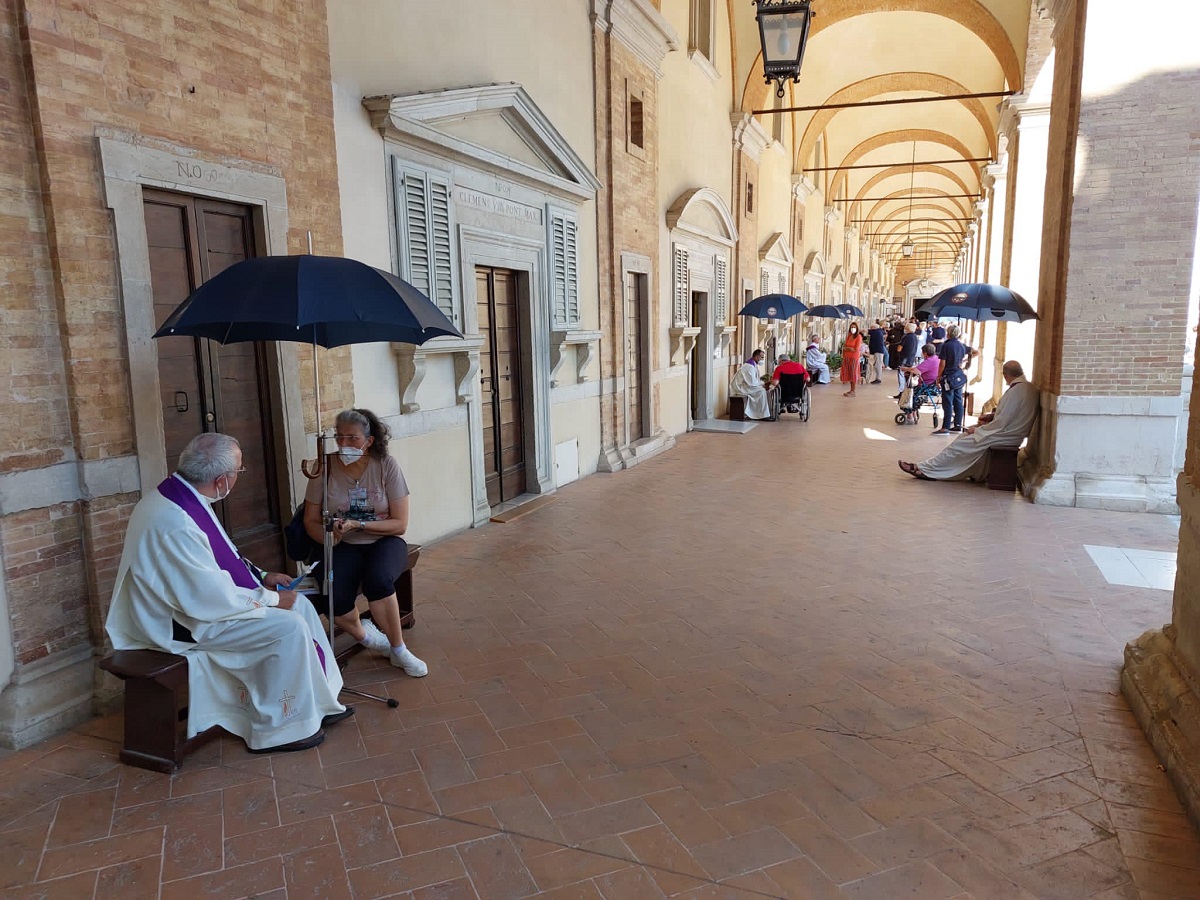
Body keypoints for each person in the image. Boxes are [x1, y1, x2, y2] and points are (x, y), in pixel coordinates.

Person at [106, 433, 348, 754]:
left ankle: (318, 702)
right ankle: (280, 728)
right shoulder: (175, 520)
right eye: (239, 471)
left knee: (300, 605)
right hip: (178, 622)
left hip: (195, 603)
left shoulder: (187, 497)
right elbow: (208, 597)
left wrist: (262, 577)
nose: (238, 477)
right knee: (288, 627)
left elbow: (221, 559)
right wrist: (272, 599)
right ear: (221, 480)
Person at [304, 408, 428, 676]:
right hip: (343, 544)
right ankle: (368, 637)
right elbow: (310, 520)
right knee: (330, 596)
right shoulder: (324, 467)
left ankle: (398, 649)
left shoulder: (386, 465)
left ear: (369, 441)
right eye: (339, 438)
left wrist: (360, 524)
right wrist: (329, 536)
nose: (344, 445)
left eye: (352, 438)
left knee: (378, 580)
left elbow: (400, 523)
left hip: (384, 539)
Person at [899, 360, 1038, 481]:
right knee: (966, 438)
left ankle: (926, 469)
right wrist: (991, 417)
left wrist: (978, 430)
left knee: (961, 443)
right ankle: (937, 469)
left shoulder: (1016, 391)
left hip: (1006, 436)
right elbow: (1009, 415)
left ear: (1005, 375)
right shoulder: (1027, 387)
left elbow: (1002, 422)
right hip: (1011, 433)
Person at [933, 324, 976, 435]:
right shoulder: (962, 345)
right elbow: (976, 352)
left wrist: (938, 376)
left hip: (948, 376)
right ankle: (957, 425)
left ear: (948, 333)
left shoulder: (946, 346)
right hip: (958, 375)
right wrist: (965, 361)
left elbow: (942, 363)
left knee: (947, 401)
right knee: (958, 401)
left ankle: (945, 427)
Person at [730, 349, 777, 420]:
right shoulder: (748, 366)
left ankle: (760, 413)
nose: (762, 359)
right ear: (756, 357)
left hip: (746, 385)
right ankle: (761, 415)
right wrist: (763, 384)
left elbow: (754, 381)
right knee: (761, 391)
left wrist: (763, 384)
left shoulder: (753, 365)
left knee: (762, 390)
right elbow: (751, 382)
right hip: (740, 387)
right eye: (762, 357)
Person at [892, 322, 921, 398]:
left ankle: (902, 391)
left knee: (901, 375)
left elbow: (899, 348)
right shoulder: (915, 337)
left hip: (904, 359)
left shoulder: (906, 337)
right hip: (911, 359)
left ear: (907, 329)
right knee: (908, 376)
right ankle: (908, 391)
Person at [840, 322, 864, 397]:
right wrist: (847, 349)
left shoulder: (858, 337)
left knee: (853, 373)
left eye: (854, 327)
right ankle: (851, 390)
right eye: (851, 327)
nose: (853, 329)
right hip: (847, 356)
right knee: (849, 373)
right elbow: (844, 346)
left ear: (857, 329)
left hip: (854, 357)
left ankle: (853, 391)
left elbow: (856, 349)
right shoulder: (849, 336)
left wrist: (848, 348)